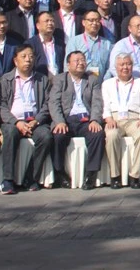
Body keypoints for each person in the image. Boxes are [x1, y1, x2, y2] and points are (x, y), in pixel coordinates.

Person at [0, 44, 53, 194]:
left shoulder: (42, 79)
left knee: (46, 136)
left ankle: (31, 177)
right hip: (13, 121)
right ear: (15, 61)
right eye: (23, 57)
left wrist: (36, 121)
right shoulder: (5, 79)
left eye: (31, 56)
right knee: (10, 133)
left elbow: (47, 104)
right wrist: (17, 122)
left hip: (35, 122)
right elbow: (1, 106)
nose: (28, 60)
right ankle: (8, 180)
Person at [49, 50, 105, 189]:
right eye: (77, 60)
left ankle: (91, 174)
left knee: (97, 134)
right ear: (68, 65)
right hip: (66, 120)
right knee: (58, 136)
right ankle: (60, 173)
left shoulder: (92, 79)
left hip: (86, 120)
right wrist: (59, 121)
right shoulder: (60, 79)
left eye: (83, 60)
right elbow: (54, 102)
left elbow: (97, 102)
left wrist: (95, 120)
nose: (81, 63)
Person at [101, 53, 140, 189]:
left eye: (128, 64)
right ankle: (115, 176)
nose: (125, 67)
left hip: (135, 119)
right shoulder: (107, 84)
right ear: (115, 67)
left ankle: (135, 175)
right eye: (121, 64)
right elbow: (105, 105)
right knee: (111, 135)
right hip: (115, 119)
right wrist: (108, 118)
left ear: (132, 66)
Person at [66, 10, 113, 79]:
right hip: (79, 82)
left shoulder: (107, 43)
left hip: (101, 82)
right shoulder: (74, 41)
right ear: (83, 22)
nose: (94, 23)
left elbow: (110, 66)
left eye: (97, 20)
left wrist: (105, 81)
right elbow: (68, 66)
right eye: (91, 20)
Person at [109, 15, 140, 80]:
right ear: (129, 28)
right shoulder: (121, 45)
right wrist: (126, 80)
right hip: (129, 82)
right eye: (137, 26)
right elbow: (113, 68)